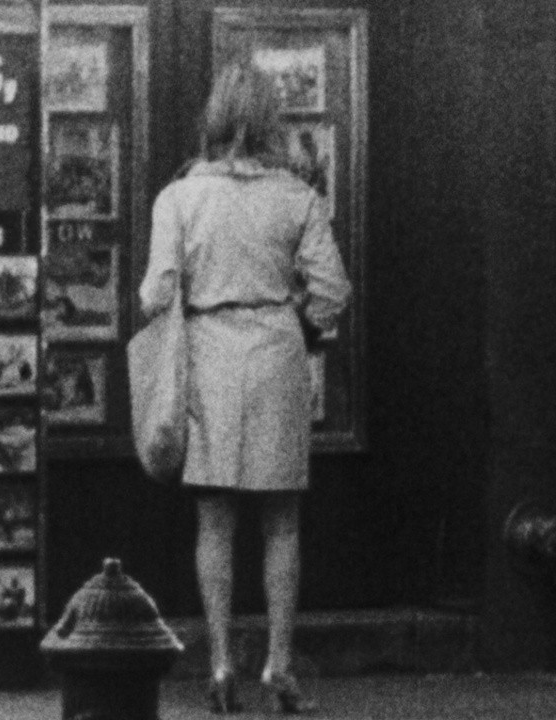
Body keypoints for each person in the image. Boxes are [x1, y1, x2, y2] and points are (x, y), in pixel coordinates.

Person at [137, 60, 351, 714]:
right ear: (270, 122)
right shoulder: (297, 197)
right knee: (282, 520)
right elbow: (333, 290)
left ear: (214, 117)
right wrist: (301, 326)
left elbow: (154, 294)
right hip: (278, 353)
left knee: (215, 519)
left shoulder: (179, 198)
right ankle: (279, 666)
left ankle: (222, 664)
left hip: (208, 353)